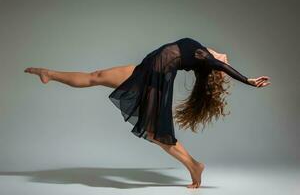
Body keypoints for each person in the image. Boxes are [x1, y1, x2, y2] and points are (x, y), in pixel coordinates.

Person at [24, 37, 271, 188]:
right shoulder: (202, 51)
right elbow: (217, 63)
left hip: (156, 77)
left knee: (155, 133)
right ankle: (50, 73)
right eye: (225, 59)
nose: (226, 56)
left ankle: (195, 166)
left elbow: (221, 65)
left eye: (225, 62)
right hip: (146, 68)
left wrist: (248, 80)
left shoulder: (205, 57)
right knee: (96, 76)